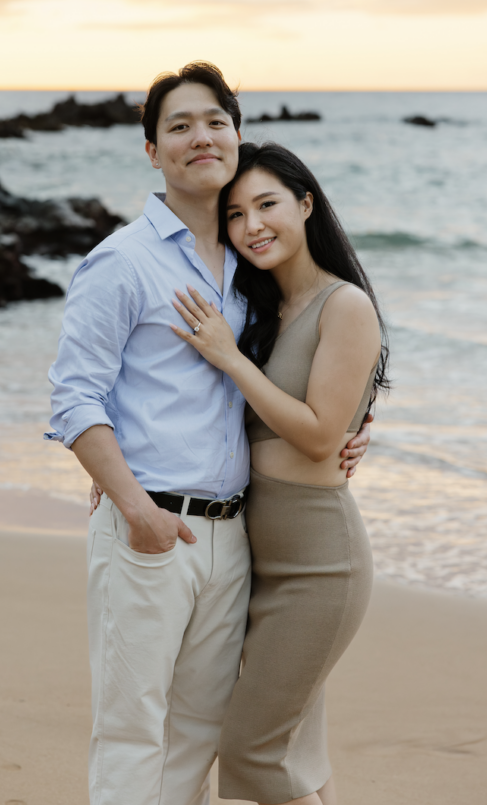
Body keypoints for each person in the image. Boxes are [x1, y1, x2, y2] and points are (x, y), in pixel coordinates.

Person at [46, 62, 372, 805]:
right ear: (152, 151)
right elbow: (72, 399)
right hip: (150, 527)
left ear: (236, 134)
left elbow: (302, 374)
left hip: (234, 539)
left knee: (198, 735)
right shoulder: (122, 261)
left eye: (215, 122)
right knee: (133, 733)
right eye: (179, 126)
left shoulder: (250, 266)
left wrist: (354, 431)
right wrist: (134, 508)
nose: (201, 137)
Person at [168, 141, 388, 805]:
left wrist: (230, 360)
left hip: (318, 566)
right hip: (253, 558)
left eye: (266, 205)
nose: (251, 226)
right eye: (234, 214)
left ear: (305, 204)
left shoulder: (342, 304)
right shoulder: (257, 310)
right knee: (293, 753)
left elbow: (321, 435)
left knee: (252, 753)